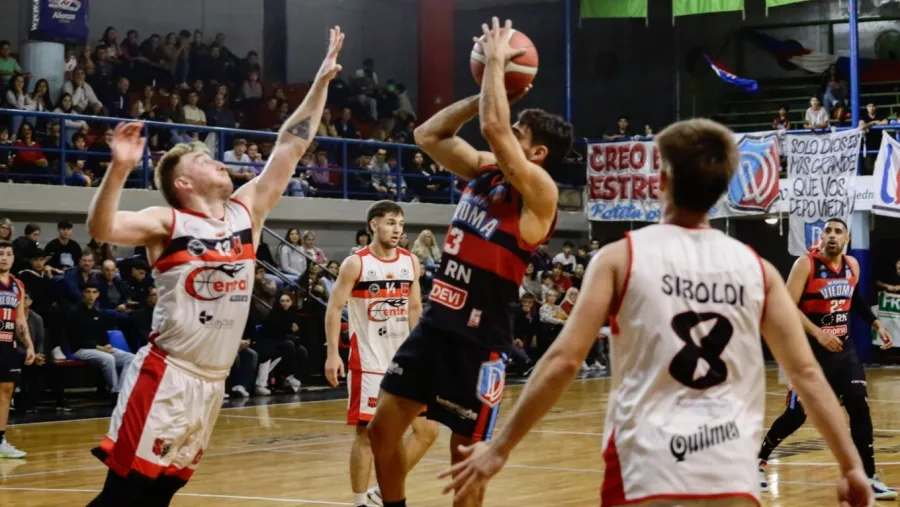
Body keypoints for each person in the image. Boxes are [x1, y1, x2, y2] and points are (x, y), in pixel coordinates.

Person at [436, 118, 876, 507]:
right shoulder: (758, 271)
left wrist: (499, 449)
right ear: (723, 189)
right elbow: (806, 373)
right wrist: (851, 467)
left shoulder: (619, 258)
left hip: (642, 467)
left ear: (661, 182)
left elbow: (564, 360)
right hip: (727, 468)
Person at [82, 27, 345, 506]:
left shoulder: (247, 212)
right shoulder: (167, 221)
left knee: (162, 493)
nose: (218, 162)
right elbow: (101, 229)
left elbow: (290, 145)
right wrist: (118, 169)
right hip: (167, 375)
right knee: (125, 494)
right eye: (204, 161)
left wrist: (320, 83)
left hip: (212, 382)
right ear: (183, 183)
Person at [366, 18, 573, 507]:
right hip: (437, 326)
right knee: (381, 432)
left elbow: (493, 127)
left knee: (466, 461)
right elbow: (428, 134)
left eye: (519, 134)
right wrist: (485, 90)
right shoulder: (484, 171)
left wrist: (497, 67)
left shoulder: (540, 193)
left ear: (537, 153)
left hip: (480, 341)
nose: (505, 135)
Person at [757, 218, 896, 499]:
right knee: (796, 415)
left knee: (859, 406)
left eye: (838, 231)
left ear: (847, 240)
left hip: (844, 350)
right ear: (821, 237)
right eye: (827, 231)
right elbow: (787, 306)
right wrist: (818, 333)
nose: (831, 235)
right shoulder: (806, 264)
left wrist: (876, 324)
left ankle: (868, 477)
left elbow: (854, 299)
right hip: (809, 352)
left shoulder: (852, 265)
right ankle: (758, 460)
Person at [324, 200, 439, 507]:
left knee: (428, 431)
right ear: (374, 225)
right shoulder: (356, 264)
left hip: (404, 361)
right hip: (369, 361)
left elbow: (415, 308)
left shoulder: (410, 262)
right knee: (366, 436)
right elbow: (334, 308)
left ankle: (379, 493)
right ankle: (360, 502)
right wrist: (333, 354)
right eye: (390, 223)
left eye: (400, 224)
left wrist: (421, 353)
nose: (397, 229)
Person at [0, 241, 35, 458]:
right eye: (0, 253)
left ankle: (0, 440)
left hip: (7, 343)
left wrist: (29, 345)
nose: (4, 257)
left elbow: (20, 320)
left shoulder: (17, 285)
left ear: (13, 258)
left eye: (8, 254)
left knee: (6, 391)